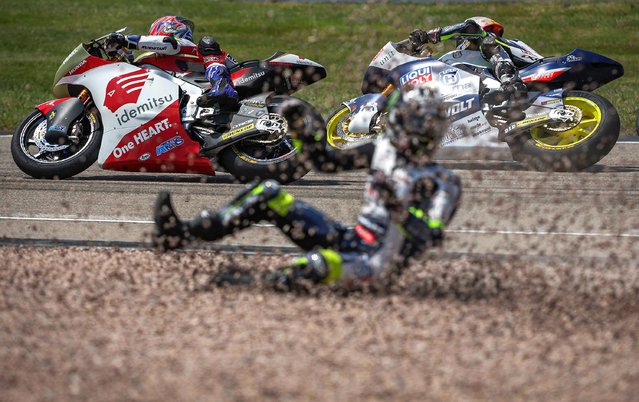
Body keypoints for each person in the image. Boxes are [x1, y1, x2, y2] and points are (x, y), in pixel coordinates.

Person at [152, 86, 462, 291]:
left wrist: (399, 212)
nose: (418, 131)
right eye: (414, 122)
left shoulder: (442, 183)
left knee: (316, 266)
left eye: (424, 125)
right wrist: (301, 132)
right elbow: (325, 161)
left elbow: (428, 237)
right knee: (268, 193)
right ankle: (184, 232)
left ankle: (253, 284)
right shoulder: (382, 152)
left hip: (375, 265)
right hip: (349, 238)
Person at [105, 16, 240, 148]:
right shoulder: (148, 59)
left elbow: (168, 44)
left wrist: (125, 40)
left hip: (230, 78)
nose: (188, 32)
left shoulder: (181, 45)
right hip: (171, 102)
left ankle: (221, 86)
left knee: (207, 42)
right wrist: (113, 53)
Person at [409, 16, 541, 120]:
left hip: (527, 72)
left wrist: (429, 36)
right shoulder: (478, 65)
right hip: (508, 87)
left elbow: (469, 28)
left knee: (487, 43)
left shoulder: (488, 39)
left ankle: (510, 80)